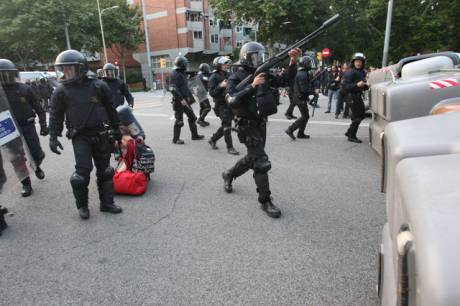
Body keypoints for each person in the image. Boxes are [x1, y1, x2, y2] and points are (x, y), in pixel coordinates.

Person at [222, 42, 301, 218]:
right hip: (246, 125)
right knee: (261, 162)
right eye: (256, 56)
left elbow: (286, 80)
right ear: (246, 57)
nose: (259, 60)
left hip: (261, 123)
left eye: (261, 56)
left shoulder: (263, 72)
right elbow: (231, 100)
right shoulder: (236, 76)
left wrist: (293, 61)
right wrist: (252, 85)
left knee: (253, 158)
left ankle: (229, 174)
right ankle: (265, 201)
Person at [49, 49, 123, 220]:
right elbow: (56, 115)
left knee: (105, 170)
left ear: (81, 68)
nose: (65, 72)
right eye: (63, 69)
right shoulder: (61, 91)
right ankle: (82, 206)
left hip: (100, 133)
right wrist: (53, 136)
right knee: (81, 175)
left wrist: (116, 130)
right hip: (80, 136)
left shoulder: (98, 86)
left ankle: (107, 203)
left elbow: (111, 110)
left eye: (69, 69)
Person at [0, 59, 48, 197]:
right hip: (10, 131)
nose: (5, 78)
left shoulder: (24, 89)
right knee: (17, 158)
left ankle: (36, 165)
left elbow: (38, 107)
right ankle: (26, 183)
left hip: (27, 126)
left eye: (8, 74)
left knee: (36, 152)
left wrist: (44, 124)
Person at [207, 56, 239, 155]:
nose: (226, 66)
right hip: (220, 105)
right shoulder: (213, 77)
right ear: (218, 65)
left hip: (229, 103)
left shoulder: (228, 74)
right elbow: (212, 93)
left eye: (226, 64)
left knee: (226, 125)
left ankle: (213, 139)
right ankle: (230, 148)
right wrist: (220, 86)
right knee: (227, 126)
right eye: (224, 64)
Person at [169, 55, 204, 144]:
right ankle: (176, 139)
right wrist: (181, 99)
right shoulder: (175, 74)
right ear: (181, 64)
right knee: (179, 121)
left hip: (185, 100)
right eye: (185, 63)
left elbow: (185, 87)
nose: (186, 65)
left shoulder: (182, 73)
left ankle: (194, 135)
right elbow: (173, 88)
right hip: (179, 101)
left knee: (192, 117)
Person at [285, 56, 314, 140]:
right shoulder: (303, 74)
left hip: (300, 97)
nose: (310, 64)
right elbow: (304, 89)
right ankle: (290, 129)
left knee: (306, 116)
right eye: (308, 63)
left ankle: (301, 133)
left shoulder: (303, 72)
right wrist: (313, 92)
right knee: (305, 116)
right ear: (305, 63)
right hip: (300, 98)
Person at [341, 53, 369, 143]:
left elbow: (361, 86)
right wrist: (356, 84)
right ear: (353, 62)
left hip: (357, 95)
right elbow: (344, 86)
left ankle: (349, 132)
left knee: (361, 115)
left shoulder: (361, 72)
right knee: (357, 117)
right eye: (357, 61)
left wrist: (366, 86)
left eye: (360, 61)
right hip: (351, 96)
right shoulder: (350, 72)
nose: (358, 63)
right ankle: (351, 135)